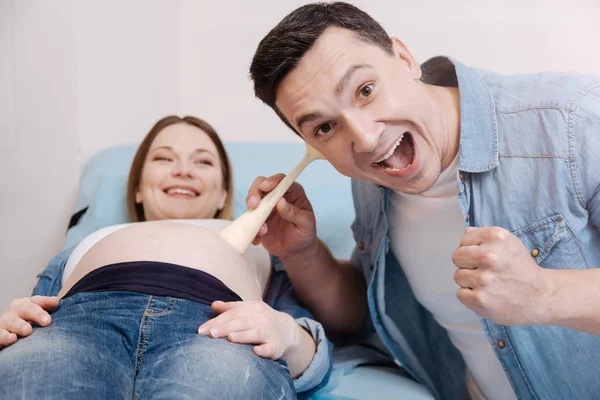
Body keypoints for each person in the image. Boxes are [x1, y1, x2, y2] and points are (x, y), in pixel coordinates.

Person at [245, 2, 600, 400]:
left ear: (404, 58)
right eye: (325, 127)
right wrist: (301, 253)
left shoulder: (575, 120)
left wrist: (544, 293)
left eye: (365, 91)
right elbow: (362, 319)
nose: (364, 138)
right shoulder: (372, 179)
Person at [0, 115, 331, 399]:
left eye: (202, 161)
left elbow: (310, 359)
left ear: (224, 193)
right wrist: (12, 323)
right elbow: (33, 308)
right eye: (163, 158)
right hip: (76, 324)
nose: (184, 170)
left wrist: (286, 333)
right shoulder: (86, 244)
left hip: (217, 333)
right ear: (138, 189)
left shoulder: (264, 246)